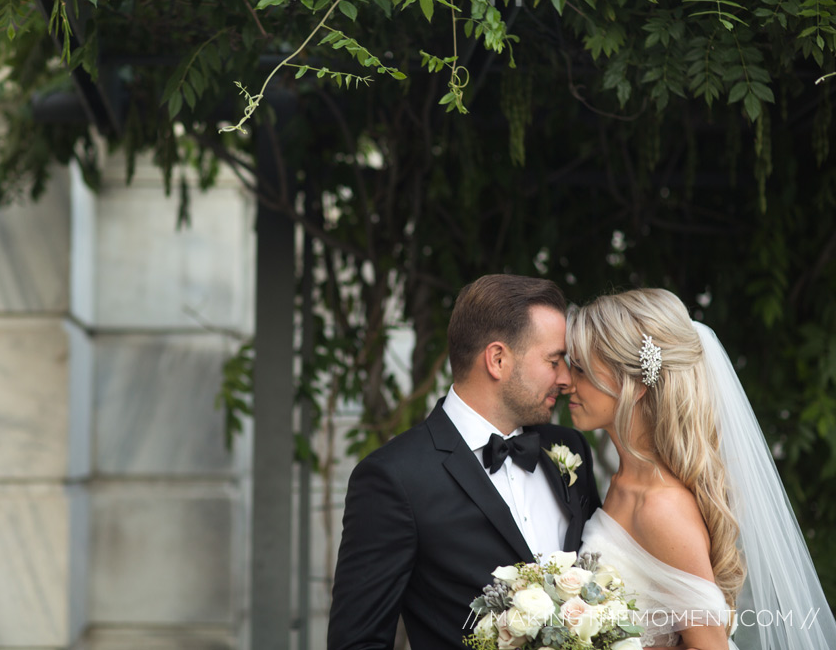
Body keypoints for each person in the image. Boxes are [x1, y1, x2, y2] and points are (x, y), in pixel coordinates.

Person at [328, 274, 602, 650]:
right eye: (554, 361)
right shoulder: (395, 478)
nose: (567, 379)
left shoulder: (570, 451)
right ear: (498, 359)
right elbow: (357, 641)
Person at [567, 288, 836, 650]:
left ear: (635, 383)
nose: (567, 380)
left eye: (581, 369)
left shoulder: (661, 508)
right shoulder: (624, 482)